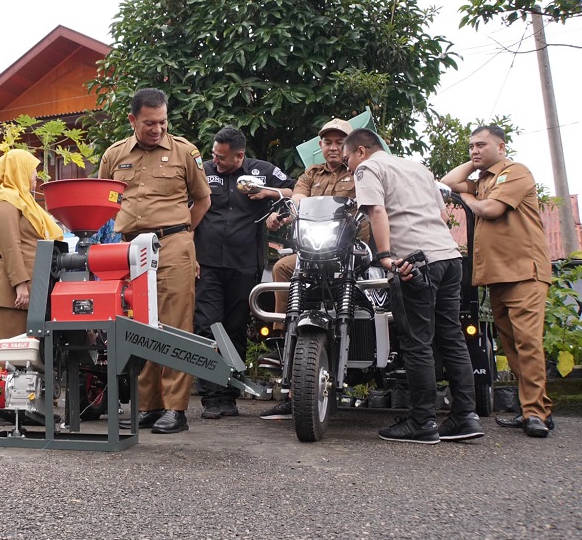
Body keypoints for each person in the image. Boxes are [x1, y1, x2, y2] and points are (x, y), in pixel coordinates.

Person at [343, 128, 483, 444]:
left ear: (361, 151)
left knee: (417, 342)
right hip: (449, 257)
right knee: (451, 337)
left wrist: (385, 255)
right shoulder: (417, 167)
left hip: (415, 262)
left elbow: (376, 210)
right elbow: (443, 215)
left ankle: (422, 422)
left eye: (348, 159)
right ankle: (465, 416)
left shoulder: (368, 168)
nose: (348, 167)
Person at [98, 88, 211, 434]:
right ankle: (149, 405)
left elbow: (203, 200)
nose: (158, 129)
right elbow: (105, 200)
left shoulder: (185, 152)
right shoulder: (114, 155)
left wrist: (183, 235)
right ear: (132, 120)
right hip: (131, 248)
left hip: (172, 243)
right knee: (140, 324)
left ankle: (176, 409)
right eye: (150, 123)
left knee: (175, 323)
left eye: (163, 122)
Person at [441, 125, 555, 438]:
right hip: (498, 276)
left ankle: (534, 413)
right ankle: (536, 409)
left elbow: (491, 209)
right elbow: (447, 183)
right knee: (513, 346)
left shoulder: (515, 172)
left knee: (527, 343)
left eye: (481, 145)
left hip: (524, 272)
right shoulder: (482, 180)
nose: (474, 150)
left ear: (501, 147)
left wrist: (467, 196)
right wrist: (473, 168)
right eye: (471, 146)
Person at [260, 117, 358, 420]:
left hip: (350, 251)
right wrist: (282, 216)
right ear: (321, 145)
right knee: (282, 268)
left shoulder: (359, 171)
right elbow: (299, 199)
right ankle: (281, 342)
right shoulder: (311, 174)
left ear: (350, 146)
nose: (333, 147)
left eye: (340, 142)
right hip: (314, 250)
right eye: (328, 142)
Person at [194, 126, 294, 419]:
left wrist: (267, 194)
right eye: (214, 154)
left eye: (222, 157)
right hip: (208, 262)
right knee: (207, 326)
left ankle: (229, 394)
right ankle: (210, 396)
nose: (216, 160)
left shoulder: (260, 171)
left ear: (239, 156)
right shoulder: (204, 171)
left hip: (244, 263)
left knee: (235, 327)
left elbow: (293, 189)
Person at [0, 149, 63, 426]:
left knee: (27, 353)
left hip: (32, 287)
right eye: (32, 171)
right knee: (5, 353)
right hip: (11, 289)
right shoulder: (4, 201)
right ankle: (1, 410)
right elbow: (10, 247)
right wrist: (21, 285)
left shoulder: (26, 203)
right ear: (17, 170)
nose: (36, 178)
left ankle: (27, 407)